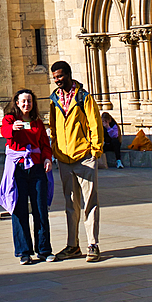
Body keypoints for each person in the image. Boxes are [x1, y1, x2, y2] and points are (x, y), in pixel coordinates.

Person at [49, 60, 104, 263]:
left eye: (60, 76)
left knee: (90, 203)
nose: (57, 81)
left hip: (84, 156)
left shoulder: (84, 97)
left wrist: (95, 150)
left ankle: (93, 244)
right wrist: (56, 150)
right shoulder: (54, 99)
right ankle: (73, 245)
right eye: (55, 77)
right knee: (71, 204)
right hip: (64, 158)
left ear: (69, 75)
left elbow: (94, 123)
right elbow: (53, 127)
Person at [0, 89, 54, 264]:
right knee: (19, 209)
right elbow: (4, 131)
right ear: (16, 102)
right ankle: (24, 251)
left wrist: (47, 158)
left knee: (40, 209)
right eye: (23, 101)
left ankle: (44, 250)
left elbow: (45, 144)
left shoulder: (37, 122)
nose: (26, 104)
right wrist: (12, 128)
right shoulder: (10, 119)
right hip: (18, 169)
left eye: (29, 101)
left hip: (37, 168)